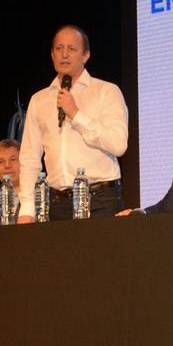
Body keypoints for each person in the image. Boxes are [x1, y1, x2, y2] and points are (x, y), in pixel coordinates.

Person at [17, 25, 128, 220]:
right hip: (57, 203)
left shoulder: (106, 91)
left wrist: (76, 114)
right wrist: (27, 209)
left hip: (101, 200)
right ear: (52, 55)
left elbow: (118, 144)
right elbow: (30, 157)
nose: (64, 54)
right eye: (59, 48)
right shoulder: (39, 100)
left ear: (86, 55)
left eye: (72, 49)